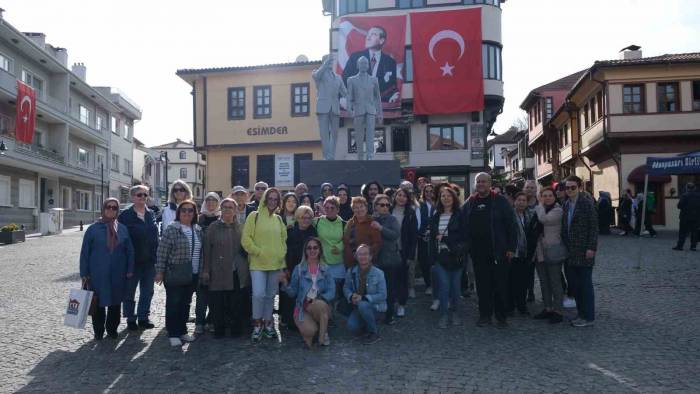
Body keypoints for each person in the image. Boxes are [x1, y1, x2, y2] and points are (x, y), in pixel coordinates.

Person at [461, 173, 517, 328]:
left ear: (490, 183)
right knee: (483, 286)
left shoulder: (500, 201)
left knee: (500, 285)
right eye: (478, 181)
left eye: (483, 181)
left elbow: (511, 226)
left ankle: (501, 317)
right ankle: (484, 316)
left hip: (499, 251)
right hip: (478, 253)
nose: (480, 184)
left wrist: (511, 248)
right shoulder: (470, 202)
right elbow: (460, 220)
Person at [80, 198, 134, 340]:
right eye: (108, 207)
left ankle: (112, 329)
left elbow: (129, 251)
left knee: (115, 303)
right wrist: (84, 273)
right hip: (97, 273)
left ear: (117, 211)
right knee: (98, 302)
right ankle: (98, 331)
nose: (111, 209)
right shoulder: (93, 229)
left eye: (114, 208)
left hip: (118, 272)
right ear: (103, 209)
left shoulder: (122, 229)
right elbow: (85, 252)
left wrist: (129, 269)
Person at [241, 187, 287, 342]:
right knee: (259, 294)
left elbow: (283, 242)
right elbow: (246, 239)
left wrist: (282, 261)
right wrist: (258, 252)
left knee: (270, 296)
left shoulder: (279, 219)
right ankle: (257, 324)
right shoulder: (254, 216)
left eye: (276, 199)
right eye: (270, 198)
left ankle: (268, 324)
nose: (273, 202)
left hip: (275, 265)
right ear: (265, 199)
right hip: (258, 264)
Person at [155, 200, 203, 347]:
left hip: (193, 273)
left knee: (186, 303)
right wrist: (160, 272)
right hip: (175, 272)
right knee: (174, 303)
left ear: (195, 213)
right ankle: (173, 333)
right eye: (184, 210)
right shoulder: (172, 229)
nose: (187, 213)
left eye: (190, 210)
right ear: (179, 213)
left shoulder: (198, 230)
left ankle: (182, 331)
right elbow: (162, 252)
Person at [201, 198, 248, 338]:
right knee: (218, 303)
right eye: (225, 207)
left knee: (236, 302)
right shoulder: (213, 227)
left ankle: (236, 329)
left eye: (231, 207)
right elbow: (207, 250)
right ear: (221, 210)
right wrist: (206, 270)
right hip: (218, 270)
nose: (228, 210)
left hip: (236, 271)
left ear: (235, 211)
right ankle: (219, 329)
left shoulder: (240, 227)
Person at [280, 237, 335, 348]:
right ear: (305, 251)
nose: (312, 250)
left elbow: (332, 291)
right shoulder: (299, 269)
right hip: (302, 307)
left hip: (320, 304)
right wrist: (285, 283)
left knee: (320, 305)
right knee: (309, 332)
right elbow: (293, 293)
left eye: (315, 247)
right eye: (309, 248)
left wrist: (320, 298)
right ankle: (319, 330)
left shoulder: (326, 269)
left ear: (320, 250)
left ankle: (322, 338)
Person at [118, 185, 159, 331]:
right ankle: (130, 318)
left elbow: (155, 238)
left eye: (145, 195)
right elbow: (120, 240)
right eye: (139, 195)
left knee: (147, 291)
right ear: (132, 197)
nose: (142, 198)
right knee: (129, 291)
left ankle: (143, 318)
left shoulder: (151, 214)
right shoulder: (124, 216)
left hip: (149, 261)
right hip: (132, 261)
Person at [561, 176, 599, 327]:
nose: (569, 190)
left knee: (585, 285)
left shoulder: (586, 203)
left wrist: (591, 247)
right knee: (575, 286)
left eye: (573, 187)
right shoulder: (565, 204)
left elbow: (594, 227)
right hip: (570, 252)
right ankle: (581, 313)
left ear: (579, 188)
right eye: (567, 188)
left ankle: (588, 317)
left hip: (584, 251)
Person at [429, 186, 465, 328]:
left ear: (453, 198)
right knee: (444, 287)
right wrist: (431, 259)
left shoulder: (460, 215)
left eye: (448, 195)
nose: (446, 198)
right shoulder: (436, 216)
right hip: (440, 258)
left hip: (456, 257)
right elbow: (432, 239)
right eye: (442, 196)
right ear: (440, 199)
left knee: (455, 288)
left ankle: (455, 313)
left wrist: (445, 239)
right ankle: (444, 315)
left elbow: (464, 237)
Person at [533, 187, 566, 324]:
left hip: (553, 250)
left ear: (554, 197)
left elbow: (543, 220)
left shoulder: (558, 210)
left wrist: (539, 205)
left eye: (549, 195)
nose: (547, 198)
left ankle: (558, 311)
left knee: (555, 282)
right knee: (544, 282)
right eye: (544, 195)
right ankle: (548, 308)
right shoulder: (541, 208)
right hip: (540, 251)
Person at [341, 26, 399, 104]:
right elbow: (344, 80)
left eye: (373, 34)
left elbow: (391, 88)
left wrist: (392, 96)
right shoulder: (355, 57)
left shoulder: (390, 62)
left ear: (381, 40)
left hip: (380, 108)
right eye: (368, 34)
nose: (368, 37)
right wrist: (344, 98)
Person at [281, 206, 318, 329]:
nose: (306, 220)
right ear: (298, 218)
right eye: (303, 217)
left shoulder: (313, 231)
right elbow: (284, 251)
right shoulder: (290, 232)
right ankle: (290, 321)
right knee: (291, 294)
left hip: (308, 268)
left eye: (309, 218)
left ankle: (305, 320)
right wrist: (285, 267)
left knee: (305, 294)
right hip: (292, 267)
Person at [343, 244, 387, 345]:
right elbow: (346, 287)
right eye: (360, 254)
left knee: (363, 304)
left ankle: (374, 333)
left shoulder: (379, 273)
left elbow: (383, 295)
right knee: (352, 327)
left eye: (365, 254)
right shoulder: (351, 272)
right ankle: (367, 324)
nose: (363, 257)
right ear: (356, 257)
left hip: (376, 307)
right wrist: (350, 295)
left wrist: (363, 298)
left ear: (370, 256)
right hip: (357, 306)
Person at [371, 193, 402, 325]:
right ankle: (376, 314)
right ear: (375, 206)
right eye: (382, 205)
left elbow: (395, 235)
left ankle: (389, 315)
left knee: (389, 288)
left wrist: (381, 228)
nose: (385, 207)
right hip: (375, 259)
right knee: (375, 288)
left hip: (390, 259)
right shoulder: (372, 219)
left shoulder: (392, 219)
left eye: (387, 205)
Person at [507, 192, 538, 317]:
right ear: (514, 202)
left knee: (524, 282)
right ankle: (510, 306)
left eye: (523, 200)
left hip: (526, 253)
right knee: (511, 281)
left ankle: (522, 306)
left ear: (527, 202)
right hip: (513, 253)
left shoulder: (530, 215)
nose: (521, 202)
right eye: (518, 200)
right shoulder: (509, 215)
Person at [347, 56, 383, 161]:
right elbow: (349, 96)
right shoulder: (351, 80)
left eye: (366, 63)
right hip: (358, 111)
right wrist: (350, 110)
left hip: (371, 110)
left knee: (370, 134)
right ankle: (360, 156)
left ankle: (370, 155)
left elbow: (378, 98)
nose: (364, 65)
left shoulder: (374, 80)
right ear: (358, 65)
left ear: (368, 66)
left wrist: (380, 113)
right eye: (361, 63)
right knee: (359, 135)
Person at [314, 54, 348, 161]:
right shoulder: (318, 74)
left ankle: (331, 156)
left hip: (335, 109)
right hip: (323, 108)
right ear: (323, 62)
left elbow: (345, 93)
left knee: (335, 134)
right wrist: (324, 64)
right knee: (324, 134)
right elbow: (316, 76)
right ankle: (326, 157)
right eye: (327, 61)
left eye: (330, 61)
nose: (330, 63)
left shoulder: (338, 77)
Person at [392, 188, 418, 318]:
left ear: (408, 199)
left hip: (403, 250)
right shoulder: (388, 209)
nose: (401, 198)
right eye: (399, 195)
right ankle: (391, 304)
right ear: (395, 196)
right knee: (390, 278)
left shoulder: (410, 213)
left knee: (402, 279)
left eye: (404, 196)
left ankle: (401, 305)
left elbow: (414, 237)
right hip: (389, 251)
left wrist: (410, 256)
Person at [315, 196, 347, 302]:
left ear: (338, 209)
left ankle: (335, 316)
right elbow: (302, 221)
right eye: (326, 207)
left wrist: (340, 246)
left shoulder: (343, 224)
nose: (329, 210)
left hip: (338, 263)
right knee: (323, 293)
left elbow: (348, 240)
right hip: (322, 263)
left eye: (332, 208)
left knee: (336, 294)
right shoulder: (317, 222)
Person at [343, 196, 382, 268]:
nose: (359, 209)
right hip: (351, 263)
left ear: (366, 208)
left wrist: (365, 255)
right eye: (356, 207)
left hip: (368, 263)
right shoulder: (349, 223)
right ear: (353, 209)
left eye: (361, 206)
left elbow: (377, 243)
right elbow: (346, 242)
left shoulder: (372, 222)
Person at [417, 183, 436, 298]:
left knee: (433, 261)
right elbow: (418, 221)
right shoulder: (420, 205)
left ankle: (434, 284)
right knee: (424, 261)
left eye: (431, 191)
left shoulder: (438, 204)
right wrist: (422, 232)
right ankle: (428, 284)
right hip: (423, 237)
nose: (429, 193)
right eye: (427, 191)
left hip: (435, 236)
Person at [673, 183, 700, 251]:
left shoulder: (684, 195)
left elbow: (679, 206)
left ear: (687, 188)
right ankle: (693, 247)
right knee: (694, 232)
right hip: (696, 217)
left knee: (682, 232)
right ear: (694, 188)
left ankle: (680, 246)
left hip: (685, 217)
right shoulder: (698, 196)